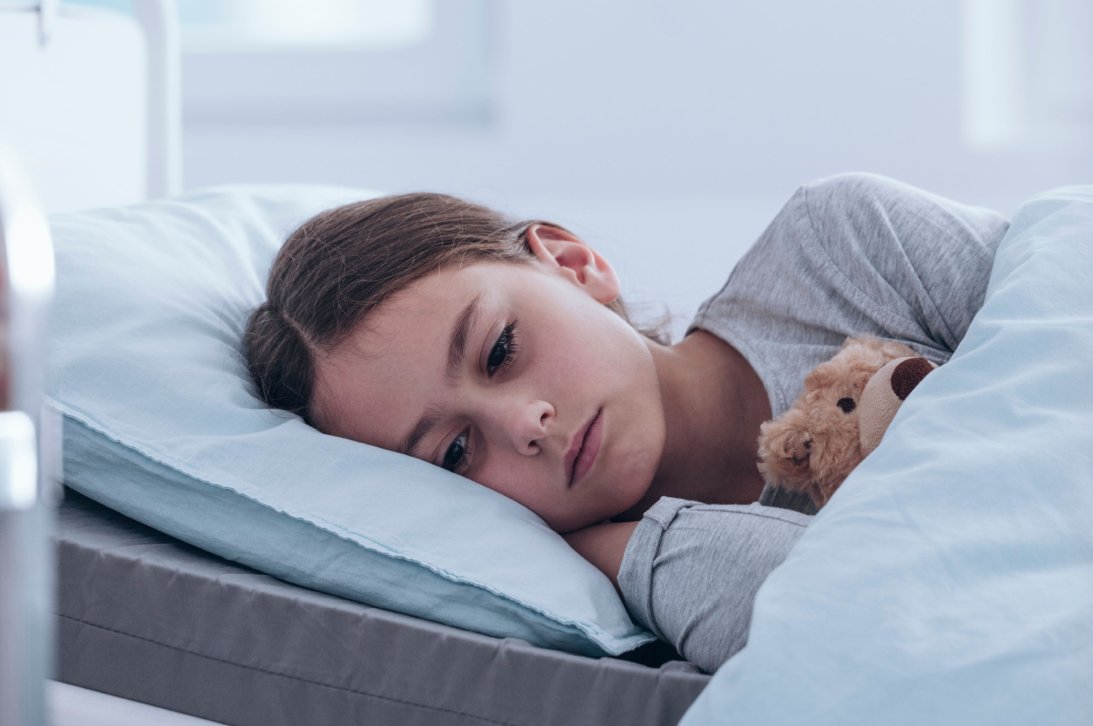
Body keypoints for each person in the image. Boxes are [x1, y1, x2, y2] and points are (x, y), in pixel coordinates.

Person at [241, 172, 1008, 673]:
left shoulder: (841, 250)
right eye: (455, 453)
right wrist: (625, 550)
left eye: (501, 350)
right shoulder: (644, 584)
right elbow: (885, 634)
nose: (526, 426)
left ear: (573, 264)